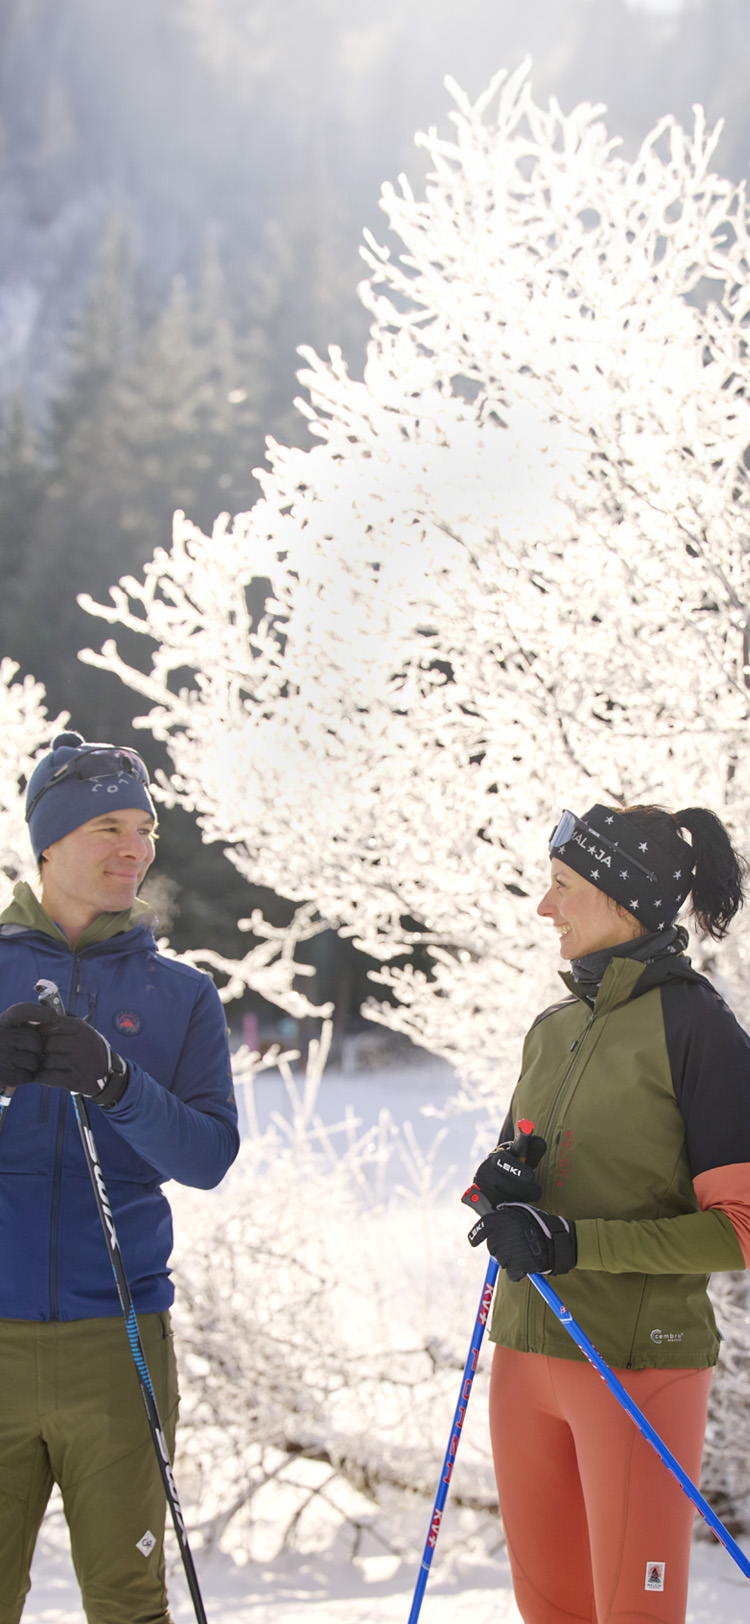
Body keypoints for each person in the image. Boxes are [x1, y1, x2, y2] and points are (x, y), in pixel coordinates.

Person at [467, 802, 750, 1624]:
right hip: (525, 1355)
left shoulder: (701, 1032)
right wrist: (501, 1186)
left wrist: (570, 1243)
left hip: (637, 1363)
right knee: (548, 1613)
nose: (542, 907)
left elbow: (740, 1229)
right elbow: (521, 1172)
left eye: (560, 886)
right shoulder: (552, 1029)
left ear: (622, 899)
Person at [0, 730, 240, 1624]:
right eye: (109, 824)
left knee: (130, 1605)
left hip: (120, 1343)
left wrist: (117, 1083)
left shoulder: (181, 995)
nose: (134, 847)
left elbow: (209, 1155)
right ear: (49, 841)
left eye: (145, 827)